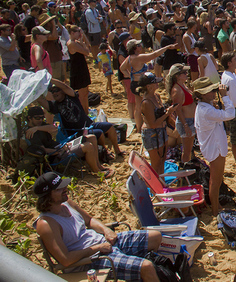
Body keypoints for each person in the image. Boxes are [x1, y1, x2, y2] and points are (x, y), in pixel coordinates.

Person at [33, 172, 162, 281]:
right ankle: (143, 272)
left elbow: (89, 221)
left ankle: (141, 274)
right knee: (146, 266)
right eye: (59, 189)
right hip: (90, 261)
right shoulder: (47, 224)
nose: (65, 189)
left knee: (155, 236)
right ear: (47, 196)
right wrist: (97, 248)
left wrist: (106, 231)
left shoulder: (67, 204)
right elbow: (66, 260)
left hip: (103, 244)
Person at [37, 79, 122, 156]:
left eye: (56, 90)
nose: (54, 93)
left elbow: (65, 86)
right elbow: (41, 101)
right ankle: (104, 152)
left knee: (110, 127)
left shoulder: (71, 96)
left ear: (62, 91)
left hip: (89, 124)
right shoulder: (54, 106)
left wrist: (49, 78)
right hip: (76, 132)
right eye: (52, 92)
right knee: (99, 133)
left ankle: (117, 151)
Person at [25, 106, 112, 178]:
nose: (40, 120)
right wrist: (59, 150)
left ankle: (99, 167)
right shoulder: (31, 134)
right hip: (57, 155)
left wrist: (36, 128)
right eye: (37, 118)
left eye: (42, 118)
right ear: (29, 118)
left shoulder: (39, 126)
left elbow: (54, 128)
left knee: (92, 137)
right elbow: (42, 151)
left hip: (61, 146)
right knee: (88, 146)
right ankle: (97, 172)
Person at [193, 78, 235, 216]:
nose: (213, 93)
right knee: (215, 182)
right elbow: (230, 114)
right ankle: (215, 211)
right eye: (211, 91)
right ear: (203, 94)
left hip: (214, 147)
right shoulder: (206, 111)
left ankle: (216, 208)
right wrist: (225, 97)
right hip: (215, 149)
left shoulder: (204, 107)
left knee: (216, 180)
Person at [137, 72, 178, 175]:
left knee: (162, 161)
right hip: (152, 134)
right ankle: (155, 188)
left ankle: (162, 184)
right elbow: (153, 124)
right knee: (156, 164)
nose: (157, 84)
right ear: (149, 86)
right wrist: (167, 114)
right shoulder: (146, 103)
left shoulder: (156, 96)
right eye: (155, 83)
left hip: (161, 131)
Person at [167, 63, 197, 163]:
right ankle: (185, 170)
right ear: (177, 75)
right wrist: (185, 125)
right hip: (186, 122)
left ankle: (187, 167)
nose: (186, 74)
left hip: (190, 120)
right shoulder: (177, 90)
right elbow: (178, 110)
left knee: (189, 149)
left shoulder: (182, 86)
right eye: (184, 72)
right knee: (187, 151)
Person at [66, 25, 92, 113]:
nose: (80, 34)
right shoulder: (72, 43)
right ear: (72, 33)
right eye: (78, 32)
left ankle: (86, 111)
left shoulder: (76, 42)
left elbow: (88, 45)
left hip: (81, 67)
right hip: (77, 69)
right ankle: (84, 112)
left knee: (85, 93)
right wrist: (82, 43)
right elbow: (87, 52)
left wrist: (82, 38)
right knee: (82, 94)